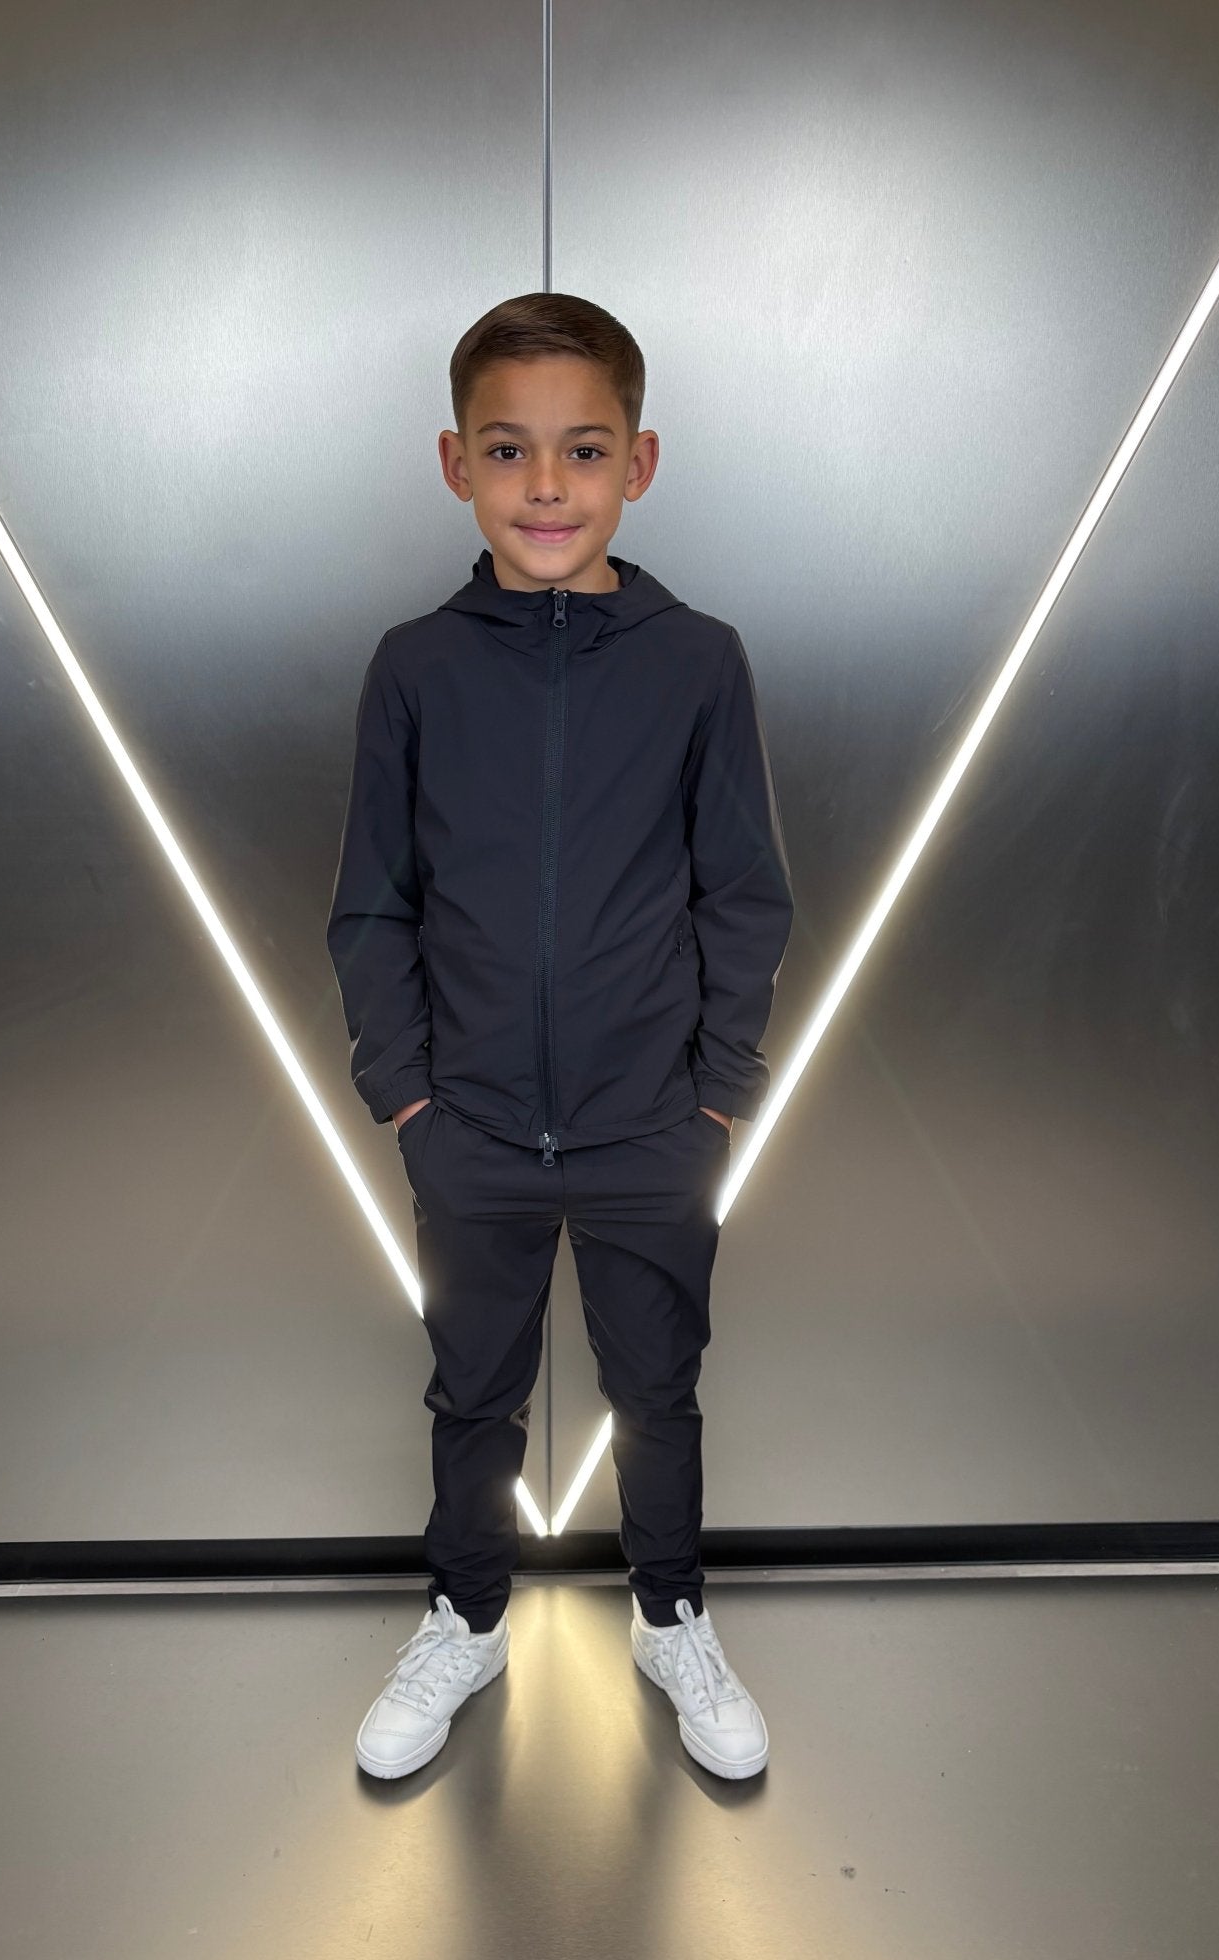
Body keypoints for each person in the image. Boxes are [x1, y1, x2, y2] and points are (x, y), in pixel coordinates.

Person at [326, 292, 794, 1781]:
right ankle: (466, 1618)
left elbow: (743, 893)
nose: (546, 485)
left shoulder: (699, 661)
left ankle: (672, 1614)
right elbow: (374, 902)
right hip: (466, 1129)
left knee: (655, 1390)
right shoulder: (415, 666)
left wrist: (716, 1098)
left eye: (584, 450)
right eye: (508, 449)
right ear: (453, 462)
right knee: (472, 1391)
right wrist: (407, 1095)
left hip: (653, 1127)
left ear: (637, 464)